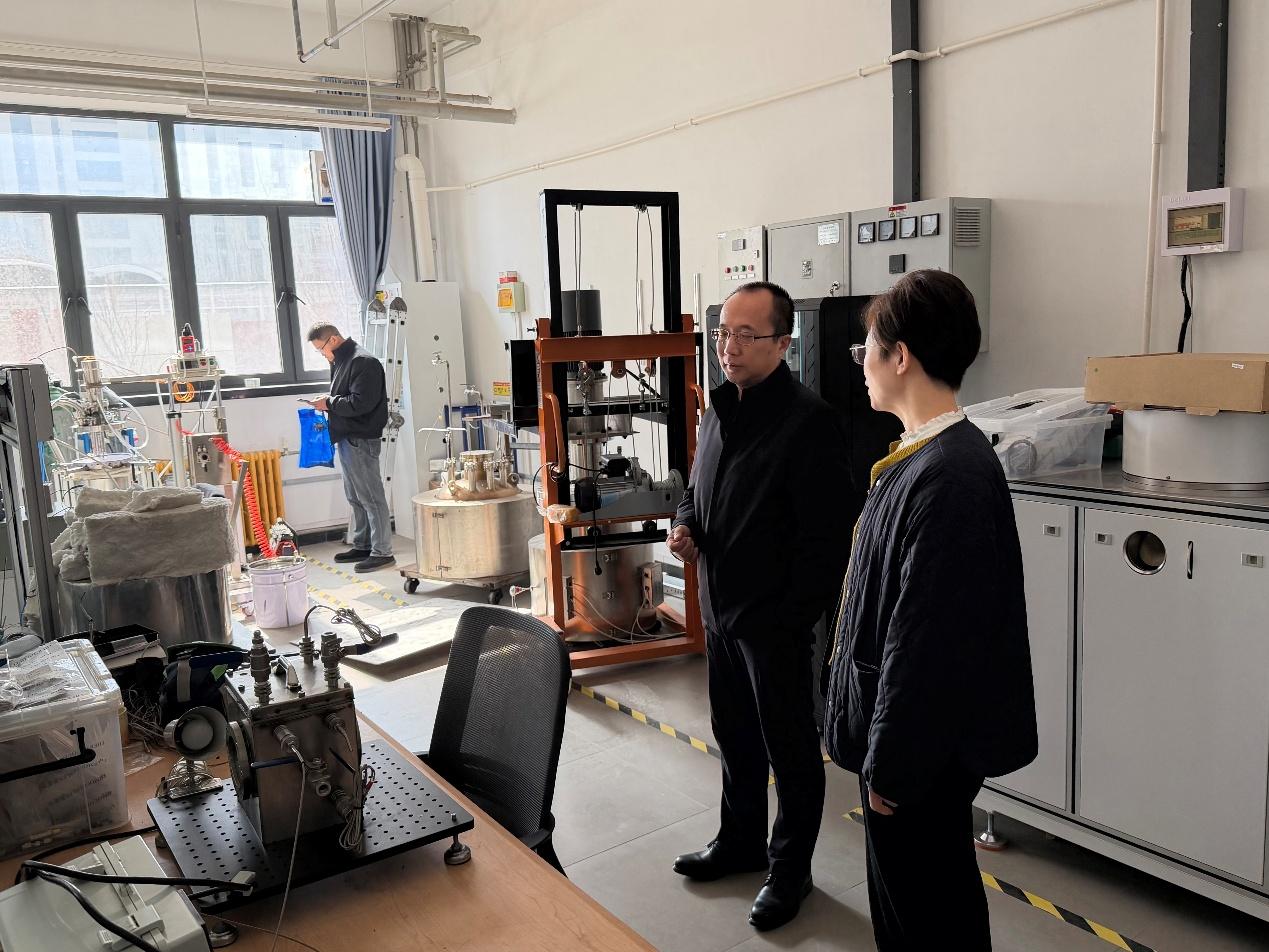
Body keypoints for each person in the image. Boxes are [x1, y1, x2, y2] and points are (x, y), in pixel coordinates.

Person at [823, 270, 1037, 950]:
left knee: (928, 923)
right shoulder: (923, 457)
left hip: (919, 759)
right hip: (913, 750)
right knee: (918, 913)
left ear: (900, 356)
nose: (860, 364)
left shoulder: (948, 476)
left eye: (865, 349)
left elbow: (928, 642)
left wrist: (894, 764)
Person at [669, 281, 851, 932]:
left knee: (790, 751)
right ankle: (739, 841)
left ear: (783, 343)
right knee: (734, 736)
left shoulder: (809, 422)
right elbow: (696, 491)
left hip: (772, 625)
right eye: (723, 333)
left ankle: (790, 870)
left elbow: (826, 542)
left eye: (746, 335)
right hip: (719, 611)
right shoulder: (718, 410)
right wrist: (685, 526)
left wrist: (788, 617)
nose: (729, 347)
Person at [305, 323, 394, 573]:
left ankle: (383, 552)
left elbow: (360, 403)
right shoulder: (341, 361)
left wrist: (329, 403)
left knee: (371, 497)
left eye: (321, 349)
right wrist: (328, 402)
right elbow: (344, 396)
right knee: (355, 496)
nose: (322, 354)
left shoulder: (363, 362)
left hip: (361, 438)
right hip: (346, 437)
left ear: (333, 340)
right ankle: (363, 544)